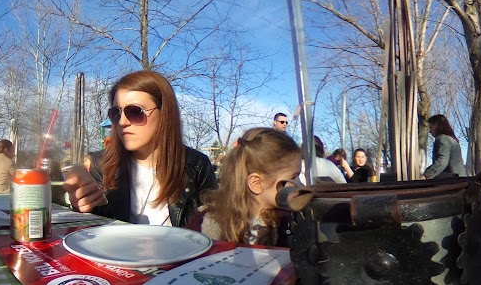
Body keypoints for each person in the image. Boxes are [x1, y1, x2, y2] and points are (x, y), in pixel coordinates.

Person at [62, 69, 218, 228]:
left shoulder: (196, 165)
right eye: (116, 113)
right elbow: (91, 228)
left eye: (135, 111)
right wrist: (80, 203)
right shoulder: (100, 165)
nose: (122, 122)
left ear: (165, 113)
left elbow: (212, 227)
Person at [199, 127, 302, 246]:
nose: (300, 185)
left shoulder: (292, 224)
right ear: (256, 184)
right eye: (294, 177)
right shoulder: (208, 226)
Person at [422, 114, 467, 179]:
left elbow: (442, 161)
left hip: (453, 181)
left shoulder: (443, 139)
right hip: (459, 179)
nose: (429, 131)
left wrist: (426, 175)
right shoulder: (452, 140)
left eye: (431, 127)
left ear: (437, 126)